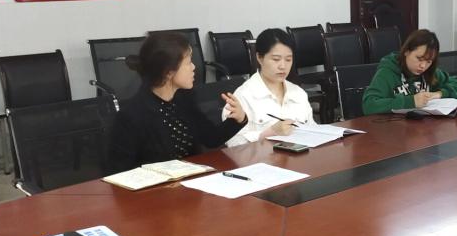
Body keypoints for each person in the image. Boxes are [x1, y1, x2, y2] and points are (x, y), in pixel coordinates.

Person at [108, 32, 246, 173]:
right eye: (188, 63)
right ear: (168, 72)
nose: (194, 67)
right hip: (158, 185)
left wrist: (238, 119)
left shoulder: (184, 99)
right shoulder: (132, 116)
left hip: (192, 180)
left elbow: (210, 138)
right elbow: (120, 172)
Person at [223, 28, 316, 147]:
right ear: (259, 58)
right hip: (263, 158)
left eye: (288, 59)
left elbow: (313, 132)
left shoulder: (298, 93)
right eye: (276, 59)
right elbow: (233, 146)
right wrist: (270, 132)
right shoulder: (243, 97)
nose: (283, 66)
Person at [362, 29, 457, 114]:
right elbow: (369, 105)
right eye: (419, 59)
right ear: (406, 52)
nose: (423, 66)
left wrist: (440, 94)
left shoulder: (430, 71)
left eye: (428, 61)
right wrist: (410, 101)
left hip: (425, 128)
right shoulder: (388, 72)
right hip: (395, 130)